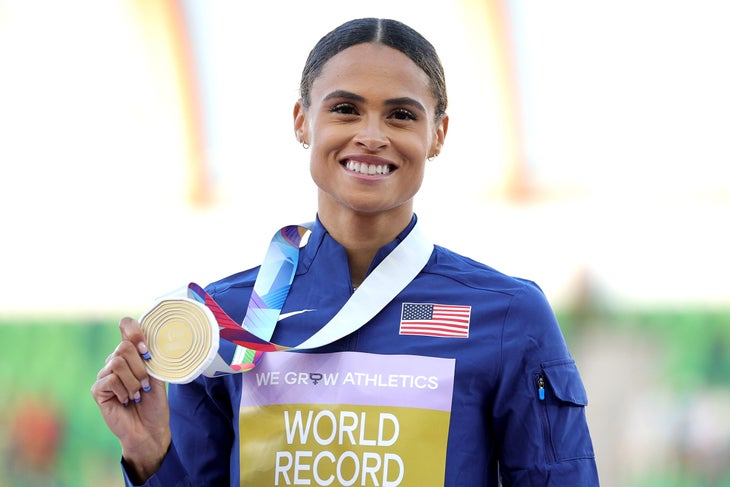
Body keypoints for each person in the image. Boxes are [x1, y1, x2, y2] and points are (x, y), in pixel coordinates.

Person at [91, 17, 599, 486]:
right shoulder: (220, 321)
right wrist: (148, 452)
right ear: (302, 121)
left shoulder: (507, 316)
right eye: (345, 109)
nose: (371, 136)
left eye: (401, 115)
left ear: (437, 134)